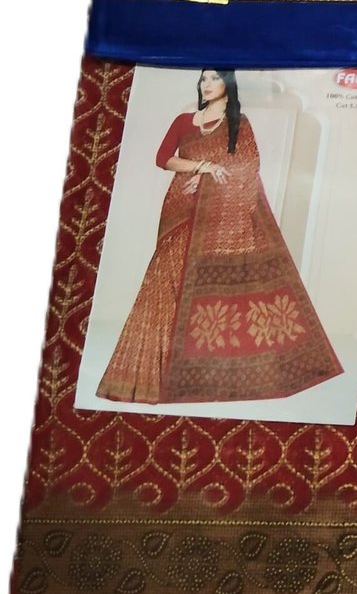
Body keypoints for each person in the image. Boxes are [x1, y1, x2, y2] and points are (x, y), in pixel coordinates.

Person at [96, 70, 342, 404]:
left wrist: (210, 176)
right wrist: (203, 167)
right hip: (182, 208)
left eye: (213, 79)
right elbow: (163, 158)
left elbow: (248, 165)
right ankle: (147, 375)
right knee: (163, 283)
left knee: (202, 289)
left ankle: (198, 374)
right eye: (203, 80)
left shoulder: (239, 123)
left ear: (228, 84)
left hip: (219, 212)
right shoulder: (184, 121)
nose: (206, 84)